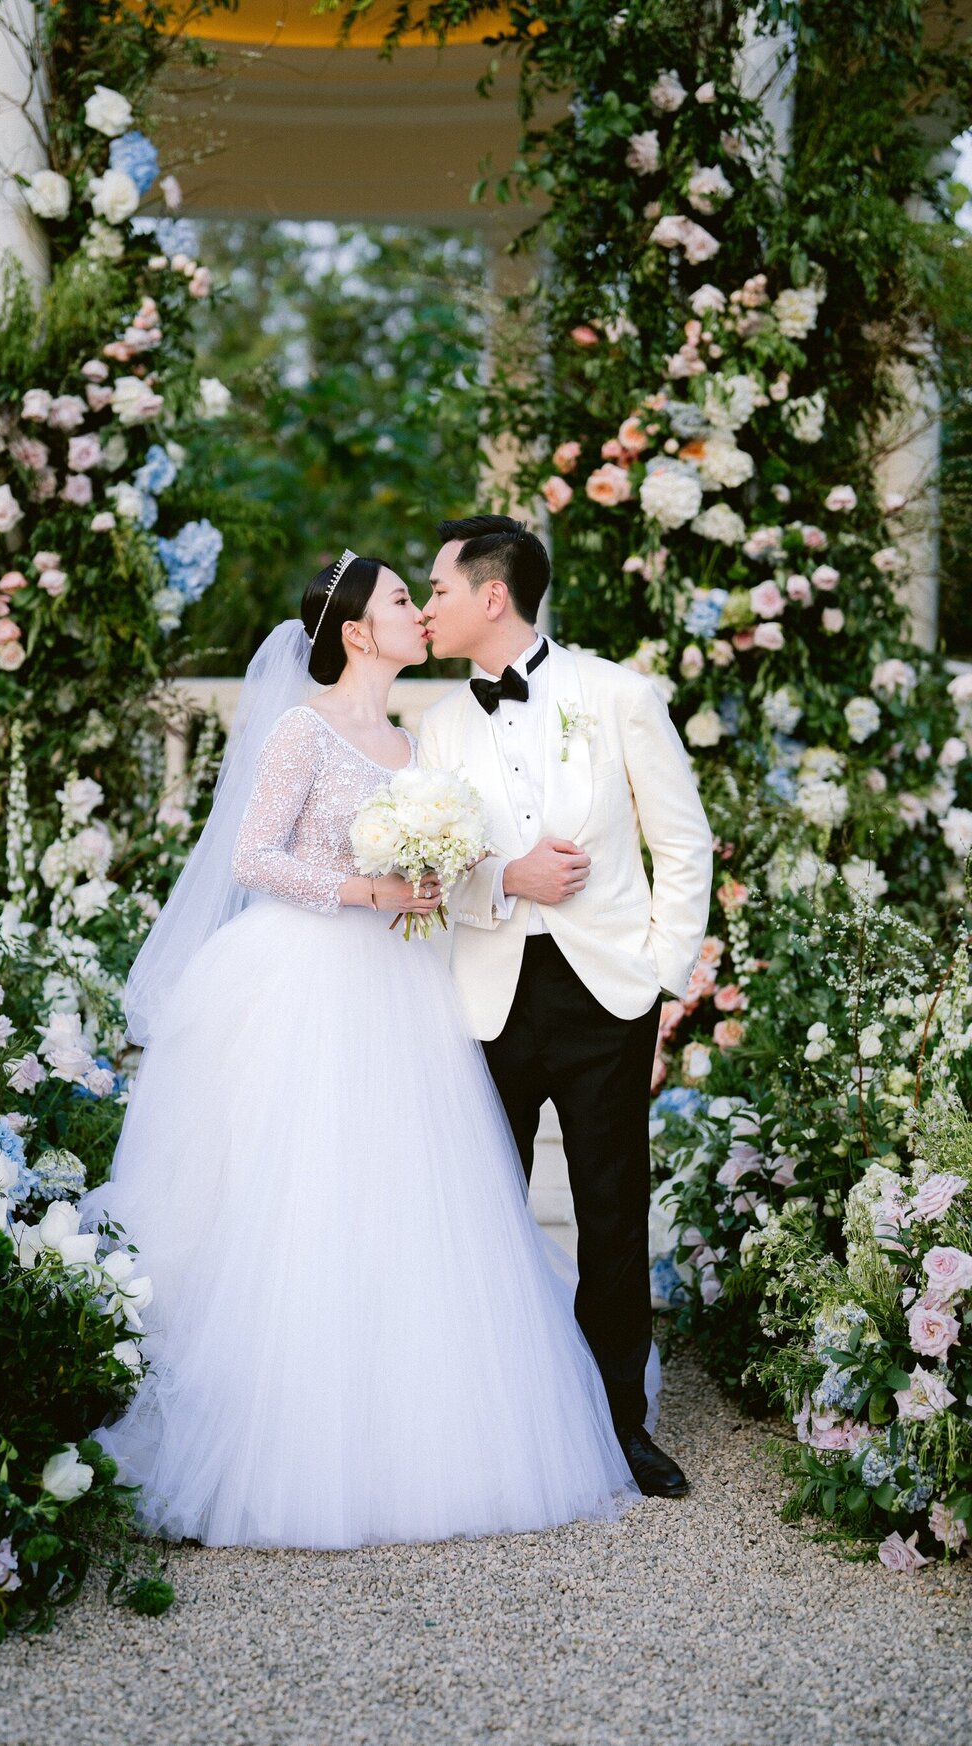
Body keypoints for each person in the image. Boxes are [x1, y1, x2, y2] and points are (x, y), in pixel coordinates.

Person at [76, 549, 648, 1549]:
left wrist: (465, 875)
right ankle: (287, 1433)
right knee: (302, 1201)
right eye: (399, 600)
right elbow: (255, 856)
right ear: (355, 633)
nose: (418, 613)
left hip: (404, 987)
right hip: (306, 982)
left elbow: (448, 851)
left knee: (407, 1202)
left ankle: (411, 1420)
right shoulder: (303, 731)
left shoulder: (412, 743)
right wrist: (369, 891)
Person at [418, 514, 714, 1498]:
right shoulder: (437, 726)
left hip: (605, 998)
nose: (428, 608)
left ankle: (618, 1427)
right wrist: (509, 875)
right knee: (482, 1215)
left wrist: (661, 982)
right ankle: (488, 1422)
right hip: (487, 1000)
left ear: (492, 594)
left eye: (440, 591)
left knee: (613, 1212)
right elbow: (424, 870)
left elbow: (686, 846)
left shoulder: (619, 696)